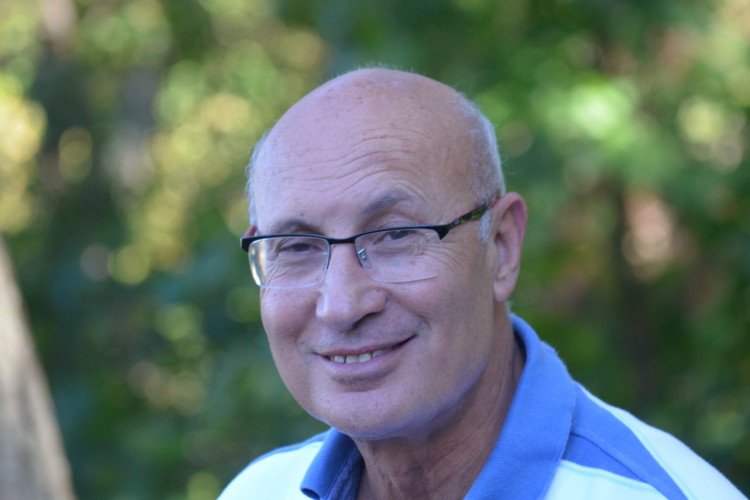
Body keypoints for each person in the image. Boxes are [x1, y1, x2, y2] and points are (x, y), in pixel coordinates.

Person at [219, 68, 744, 499]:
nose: (341, 304)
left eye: (396, 235)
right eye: (297, 246)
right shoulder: (259, 491)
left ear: (502, 247)